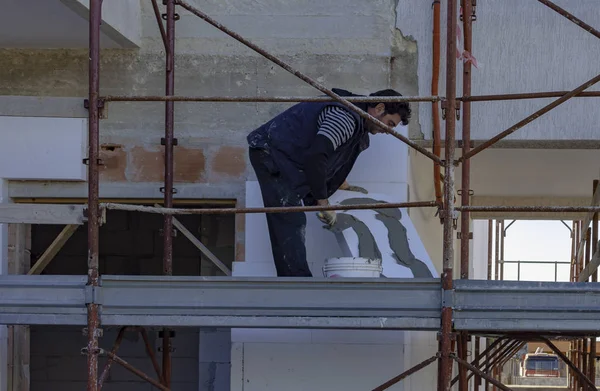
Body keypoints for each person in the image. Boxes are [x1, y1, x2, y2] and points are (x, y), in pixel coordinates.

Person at [246, 88, 411, 277]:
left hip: (289, 156)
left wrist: (340, 183)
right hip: (271, 153)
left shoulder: (356, 121)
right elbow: (317, 155)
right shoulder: (346, 117)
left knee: (291, 211)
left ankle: (296, 279)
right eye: (389, 123)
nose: (388, 131)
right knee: (290, 216)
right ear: (379, 108)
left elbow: (335, 152)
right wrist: (322, 202)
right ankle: (296, 283)